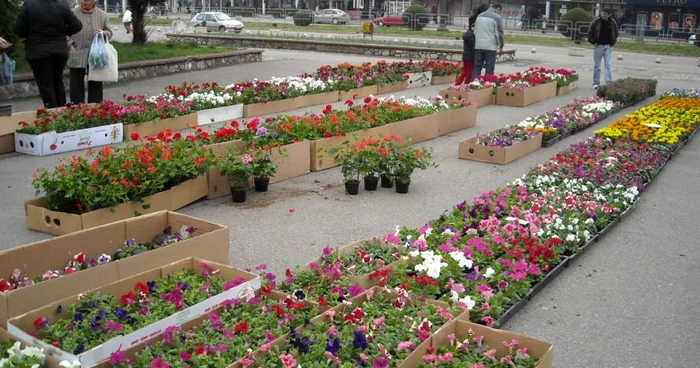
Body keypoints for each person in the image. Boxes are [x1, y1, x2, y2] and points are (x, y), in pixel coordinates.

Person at [14, 0, 83, 108]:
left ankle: (52, 113)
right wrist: (62, 32)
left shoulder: (29, 5)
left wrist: (32, 33)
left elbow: (18, 30)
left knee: (46, 84)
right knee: (58, 81)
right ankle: (61, 111)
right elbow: (77, 26)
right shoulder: (62, 5)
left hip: (38, 50)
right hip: (59, 49)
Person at [68, 0, 112, 104]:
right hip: (77, 52)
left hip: (96, 55)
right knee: (75, 83)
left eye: (86, 0)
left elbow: (110, 32)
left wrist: (103, 33)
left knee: (96, 82)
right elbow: (63, 32)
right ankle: (77, 108)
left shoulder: (102, 14)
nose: (83, 2)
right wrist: (70, 44)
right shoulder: (72, 13)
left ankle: (95, 108)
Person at [587, 8, 618, 89]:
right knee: (597, 66)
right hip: (599, 46)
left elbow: (616, 33)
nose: (603, 15)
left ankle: (608, 83)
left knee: (608, 65)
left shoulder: (612, 22)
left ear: (609, 14)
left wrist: (613, 42)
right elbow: (589, 33)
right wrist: (594, 42)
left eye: (605, 14)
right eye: (602, 13)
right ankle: (596, 83)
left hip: (608, 47)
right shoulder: (596, 22)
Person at [472, 3, 503, 80]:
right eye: (500, 11)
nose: (499, 13)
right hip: (490, 47)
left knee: (477, 67)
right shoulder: (497, 18)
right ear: (498, 9)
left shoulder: (479, 16)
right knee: (489, 68)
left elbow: (475, 31)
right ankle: (487, 85)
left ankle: (473, 84)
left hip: (478, 45)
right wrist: (501, 45)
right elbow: (499, 33)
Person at [456, 16, 476, 86]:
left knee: (464, 71)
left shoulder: (466, 35)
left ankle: (458, 83)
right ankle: (466, 84)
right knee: (469, 72)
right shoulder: (473, 37)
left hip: (465, 55)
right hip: (471, 57)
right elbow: (473, 48)